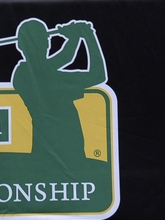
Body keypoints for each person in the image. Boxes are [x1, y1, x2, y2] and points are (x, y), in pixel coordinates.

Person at [10, 18, 108, 169]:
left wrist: (78, 36)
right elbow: (96, 74)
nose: (44, 44)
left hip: (68, 147)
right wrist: (85, 35)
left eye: (44, 40)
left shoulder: (32, 74)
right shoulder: (25, 75)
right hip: (52, 150)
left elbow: (67, 59)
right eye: (38, 41)